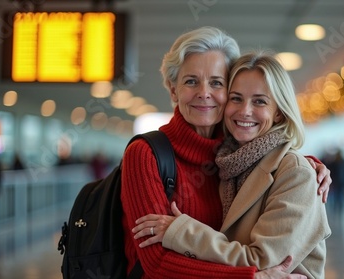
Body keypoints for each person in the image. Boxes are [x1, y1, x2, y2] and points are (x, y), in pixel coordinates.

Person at [121, 27, 331, 278]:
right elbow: (156, 264)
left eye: (216, 83)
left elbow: (279, 170)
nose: (204, 93)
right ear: (173, 90)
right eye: (191, 81)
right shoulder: (146, 155)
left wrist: (306, 166)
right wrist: (250, 277)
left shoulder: (231, 159)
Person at [326, 148, 344, 218]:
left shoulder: (334, 162)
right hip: (342, 182)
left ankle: (336, 207)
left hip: (336, 182)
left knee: (336, 195)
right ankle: (340, 207)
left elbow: (331, 172)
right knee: (341, 195)